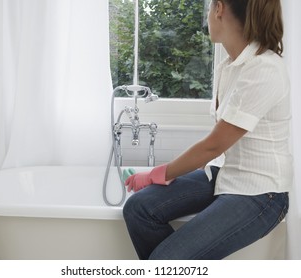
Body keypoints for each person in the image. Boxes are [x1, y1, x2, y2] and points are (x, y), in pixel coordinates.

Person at [123, 0, 292, 260]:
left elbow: (214, 144)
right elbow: (216, 150)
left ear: (219, 8)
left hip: (260, 194)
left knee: (166, 262)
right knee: (138, 208)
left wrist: (157, 173)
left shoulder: (263, 69)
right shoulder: (229, 65)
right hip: (222, 173)